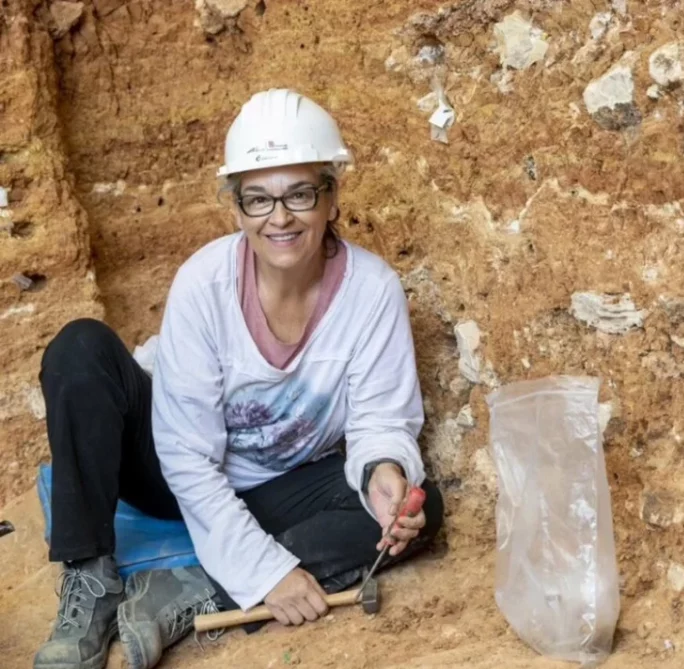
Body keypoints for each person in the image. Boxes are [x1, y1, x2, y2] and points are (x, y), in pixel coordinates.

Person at [34, 88, 444, 669]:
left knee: (413, 515)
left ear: (331, 196)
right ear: (236, 208)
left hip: (278, 486)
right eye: (258, 199)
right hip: (169, 469)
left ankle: (187, 589)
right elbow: (184, 454)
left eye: (300, 194)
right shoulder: (204, 285)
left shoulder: (372, 291)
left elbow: (382, 419)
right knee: (80, 348)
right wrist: (265, 572)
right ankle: (92, 580)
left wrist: (384, 471)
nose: (280, 217)